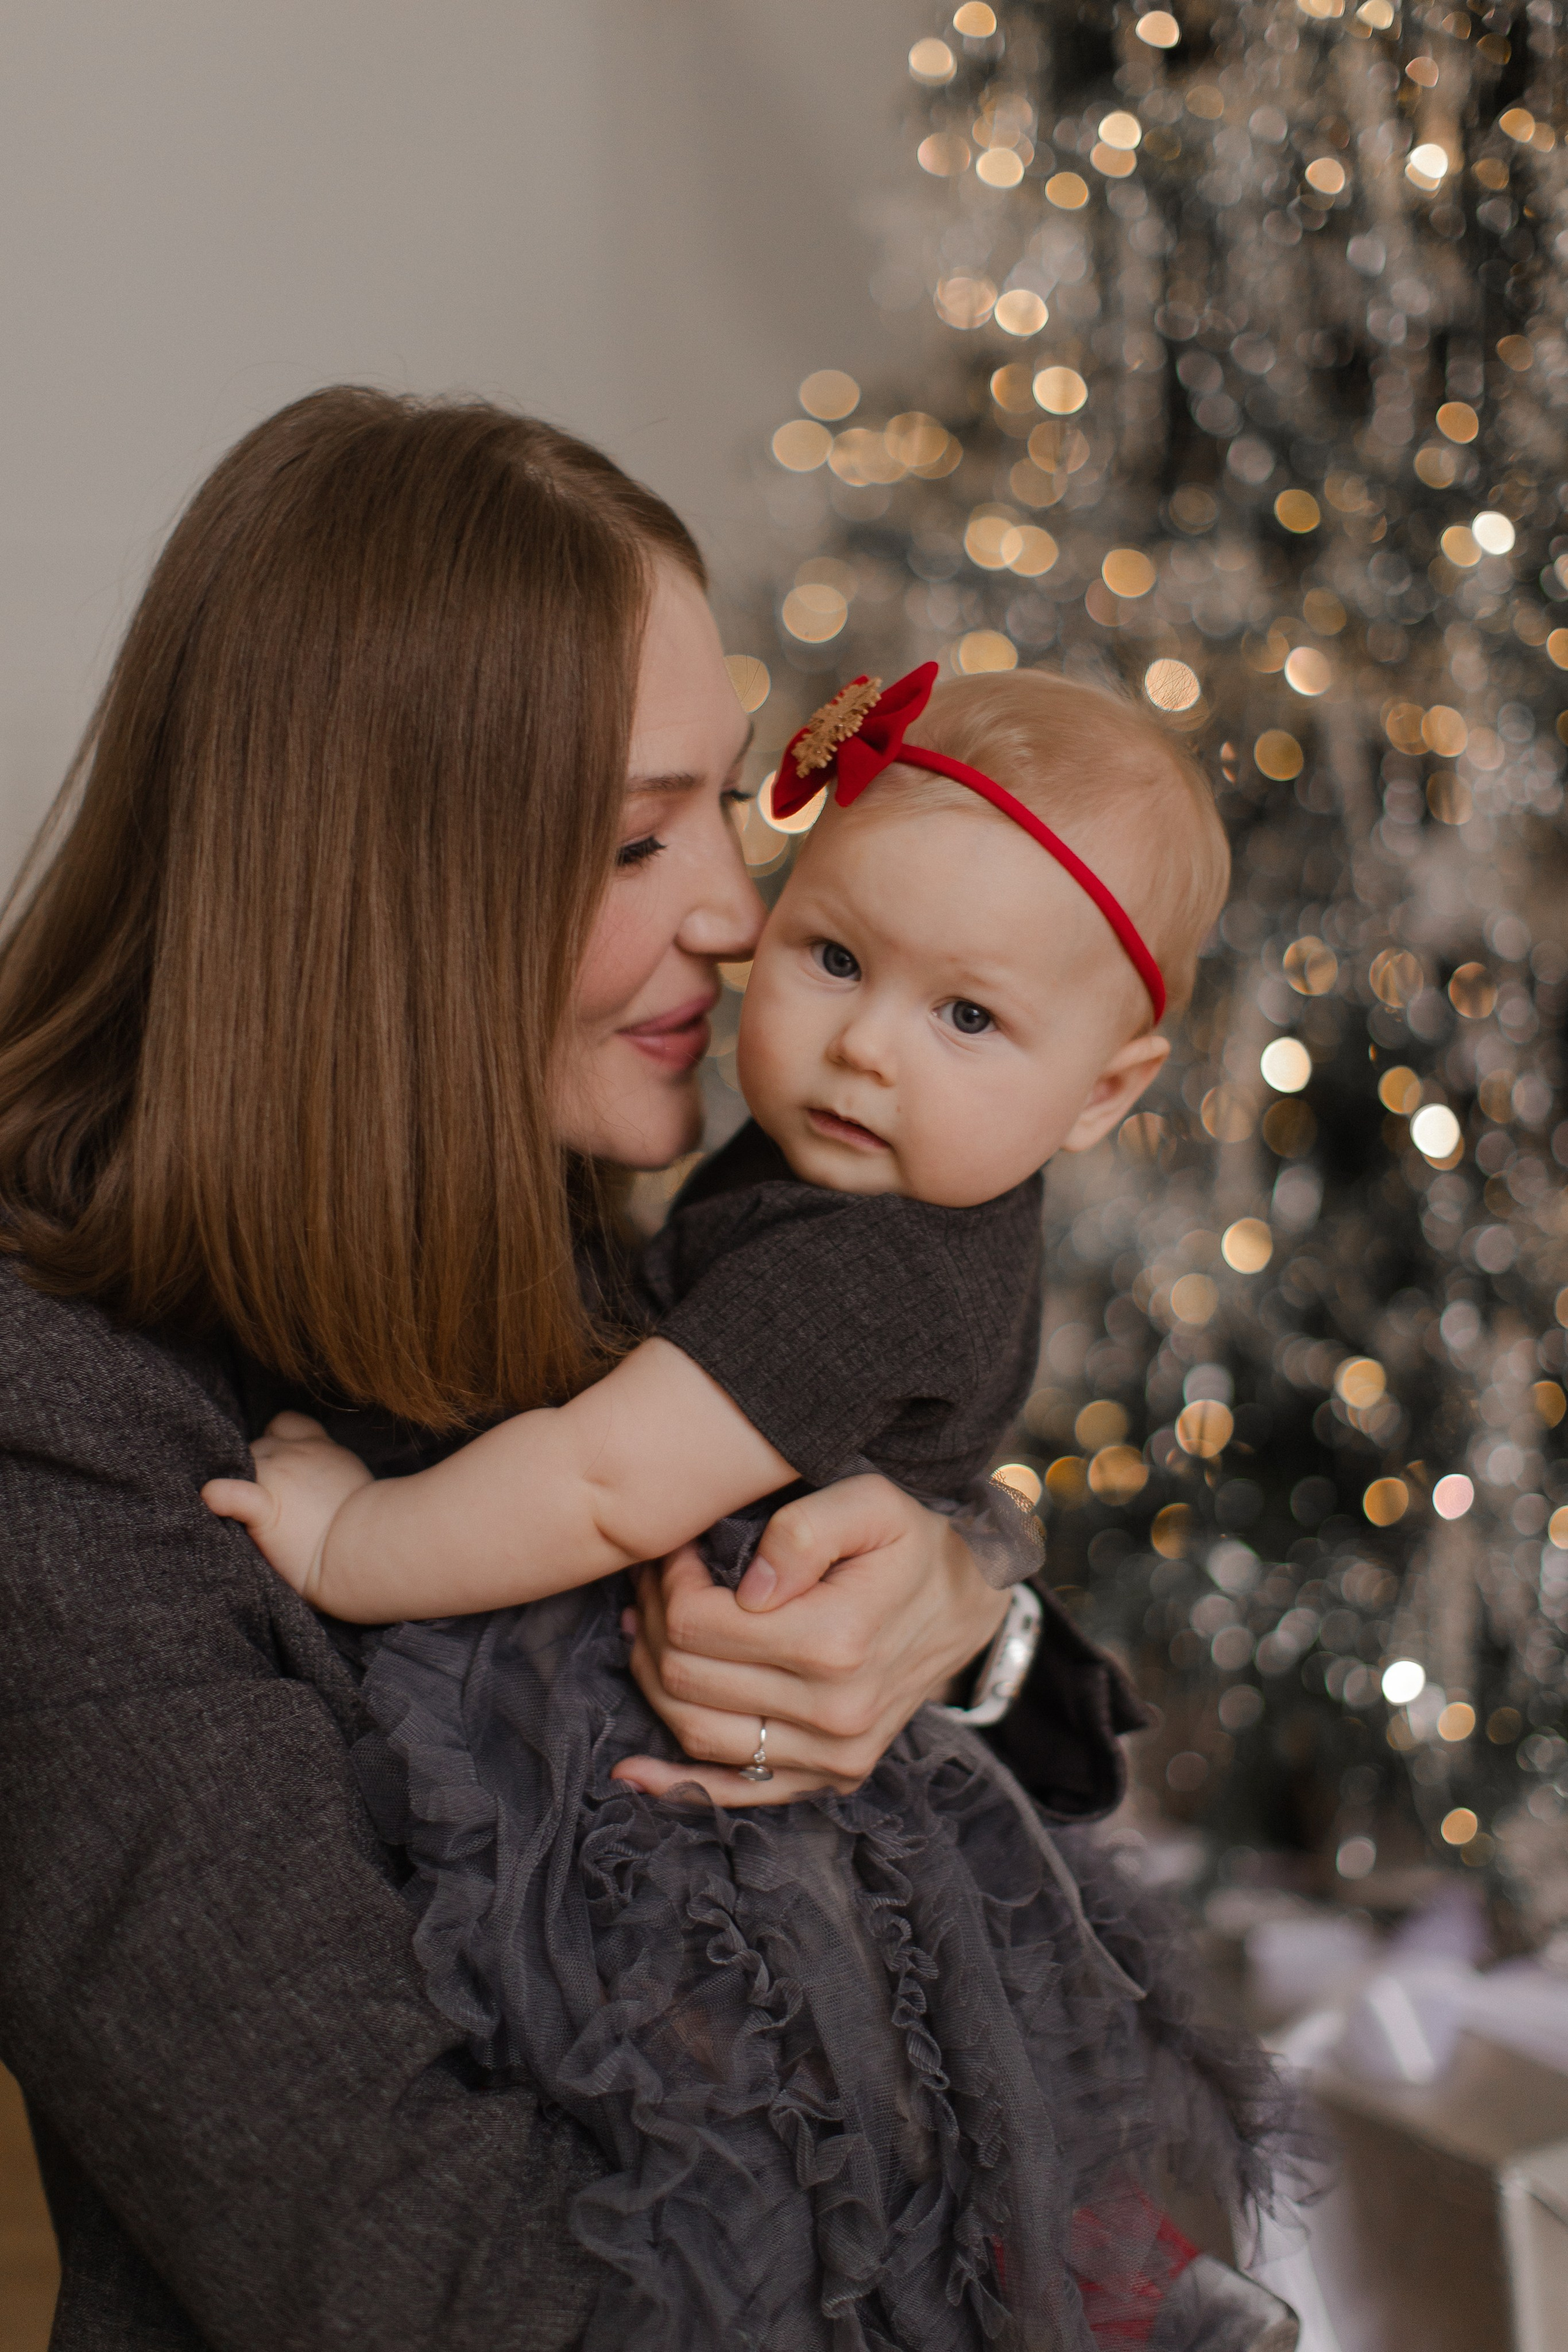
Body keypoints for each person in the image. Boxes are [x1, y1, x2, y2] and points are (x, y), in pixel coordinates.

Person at [0, 389, 1148, 2352]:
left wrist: (958, 1604)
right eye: (637, 837)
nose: (737, 908)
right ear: (382, 889)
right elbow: (399, 2252)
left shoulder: (565, 1228)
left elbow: (1058, 1771)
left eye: (728, 804)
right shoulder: (67, 1432)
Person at [205, 661, 1295, 2351]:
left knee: (739, 2122)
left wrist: (349, 1539)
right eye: (836, 957)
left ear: (1105, 1092)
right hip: (770, 1746)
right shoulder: (853, 1179)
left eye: (969, 1018)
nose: (862, 1047)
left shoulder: (855, 1266)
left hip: (738, 1801)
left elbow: (602, 1477)